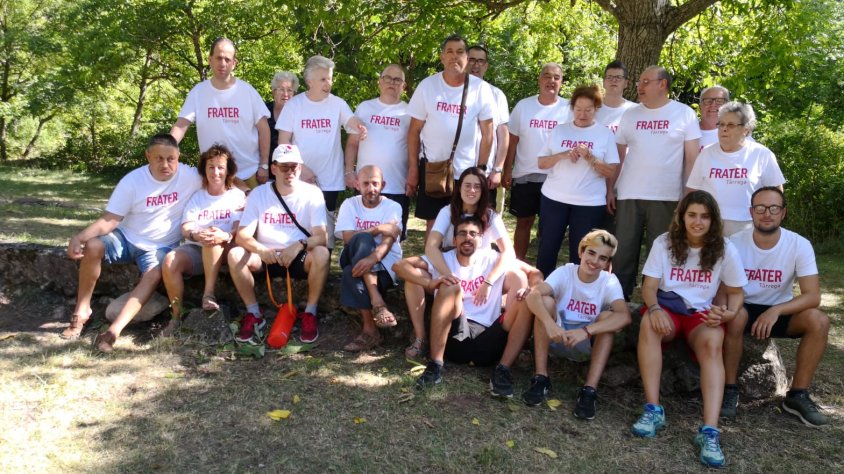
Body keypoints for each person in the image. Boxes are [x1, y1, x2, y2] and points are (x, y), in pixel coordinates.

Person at [631, 190, 747, 469]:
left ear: (713, 220)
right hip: (668, 308)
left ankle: (710, 430)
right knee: (649, 324)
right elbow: (649, 287)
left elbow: (736, 292)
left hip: (700, 314)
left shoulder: (725, 248)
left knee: (712, 343)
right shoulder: (664, 242)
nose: (698, 222)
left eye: (705, 216)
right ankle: (653, 409)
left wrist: (729, 313)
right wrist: (655, 309)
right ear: (681, 217)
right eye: (692, 215)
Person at [62, 134, 202, 351]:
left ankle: (113, 331)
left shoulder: (190, 176)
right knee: (94, 246)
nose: (165, 164)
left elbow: (222, 178)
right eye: (159, 158)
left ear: (178, 157)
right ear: (148, 156)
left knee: (154, 273)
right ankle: (82, 311)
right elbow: (111, 219)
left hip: (161, 246)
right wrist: (80, 237)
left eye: (171, 159)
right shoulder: (132, 181)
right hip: (126, 238)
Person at [720, 187, 830, 426]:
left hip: (779, 312)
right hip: (743, 307)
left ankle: (797, 394)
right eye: (760, 208)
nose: (767, 213)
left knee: (819, 320)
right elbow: (723, 289)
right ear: (751, 212)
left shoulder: (799, 244)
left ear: (783, 212)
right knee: (737, 316)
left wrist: (776, 310)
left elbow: (813, 296)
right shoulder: (734, 243)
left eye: (774, 208)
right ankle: (729, 389)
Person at [395, 216, 542, 393]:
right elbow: (399, 265)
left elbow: (535, 273)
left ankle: (503, 369)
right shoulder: (443, 259)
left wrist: (532, 289)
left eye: (473, 234)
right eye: (462, 233)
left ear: (481, 239)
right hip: (456, 335)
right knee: (450, 286)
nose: (468, 238)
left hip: (490, 337)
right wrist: (430, 283)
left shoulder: (494, 259)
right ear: (454, 240)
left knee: (526, 297)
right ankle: (435, 365)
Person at [396, 167, 515, 360]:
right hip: (450, 265)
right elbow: (431, 246)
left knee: (519, 277)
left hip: (481, 271)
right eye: (467, 185)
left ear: (483, 190)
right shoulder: (447, 211)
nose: (472, 190)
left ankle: (509, 339)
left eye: (477, 186)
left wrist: (489, 281)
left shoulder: (491, 215)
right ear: (459, 188)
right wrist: (447, 275)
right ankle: (420, 338)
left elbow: (508, 252)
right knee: (413, 279)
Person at [611, 66, 702, 300]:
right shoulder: (630, 114)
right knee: (623, 250)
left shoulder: (684, 114)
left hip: (667, 196)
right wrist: (610, 188)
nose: (639, 86)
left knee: (661, 252)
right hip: (629, 193)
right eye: (639, 82)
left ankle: (655, 303)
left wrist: (688, 195)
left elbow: (692, 159)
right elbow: (617, 156)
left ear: (662, 84)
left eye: (645, 82)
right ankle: (618, 300)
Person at [520, 230, 630, 420]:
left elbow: (624, 317)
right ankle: (541, 377)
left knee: (608, 319)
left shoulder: (609, 281)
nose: (595, 261)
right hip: (556, 334)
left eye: (602, 258)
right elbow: (533, 295)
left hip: (585, 341)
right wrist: (550, 324)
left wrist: (586, 331)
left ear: (607, 263)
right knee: (545, 302)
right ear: (581, 252)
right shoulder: (566, 272)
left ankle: (589, 390)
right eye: (591, 253)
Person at [227, 144, 329, 344]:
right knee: (235, 254)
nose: (290, 172)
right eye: (284, 167)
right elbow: (242, 235)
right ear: (273, 168)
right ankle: (254, 313)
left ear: (300, 168)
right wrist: (261, 249)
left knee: (322, 253)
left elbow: (321, 237)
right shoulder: (259, 194)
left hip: (298, 255)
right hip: (266, 255)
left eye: (294, 166)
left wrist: (299, 244)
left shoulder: (313, 193)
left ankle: (310, 313)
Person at [406, 34, 495, 238]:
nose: (455, 56)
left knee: (466, 225)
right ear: (442, 57)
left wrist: (481, 169)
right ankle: (432, 258)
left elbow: (488, 133)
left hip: (466, 171)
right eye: (450, 52)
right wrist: (413, 168)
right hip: (433, 169)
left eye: (460, 52)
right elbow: (414, 131)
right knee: (434, 225)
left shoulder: (480, 89)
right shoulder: (427, 86)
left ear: (467, 58)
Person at [276, 55, 368, 250]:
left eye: (330, 78)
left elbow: (351, 122)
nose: (328, 84)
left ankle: (324, 264)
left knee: (326, 230)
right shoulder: (294, 105)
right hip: (299, 177)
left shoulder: (338, 103)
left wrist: (360, 126)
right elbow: (283, 143)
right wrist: (301, 168)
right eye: (323, 79)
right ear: (309, 81)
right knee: (301, 226)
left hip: (330, 179)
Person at [160, 144, 246, 336]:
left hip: (227, 249)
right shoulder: (197, 197)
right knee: (170, 260)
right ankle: (176, 317)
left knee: (213, 239)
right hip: (197, 249)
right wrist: (196, 235)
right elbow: (186, 228)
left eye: (220, 167)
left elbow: (240, 228)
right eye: (211, 167)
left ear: (228, 170)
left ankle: (208, 294)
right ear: (204, 170)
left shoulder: (237, 196)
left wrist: (224, 235)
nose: (216, 172)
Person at [535, 84, 619, 276]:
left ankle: (577, 289)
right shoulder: (559, 130)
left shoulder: (605, 134)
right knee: (547, 247)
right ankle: (541, 286)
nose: (582, 114)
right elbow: (541, 163)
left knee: (581, 252)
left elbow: (611, 171)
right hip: (554, 198)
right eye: (578, 109)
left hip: (589, 204)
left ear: (596, 109)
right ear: (572, 108)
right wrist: (562, 155)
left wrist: (590, 158)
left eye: (588, 110)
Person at [170, 38, 270, 190]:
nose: (222, 63)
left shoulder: (247, 91)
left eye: (227, 59)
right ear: (210, 60)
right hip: (214, 176)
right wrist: (166, 149)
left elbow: (264, 129)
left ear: (234, 63)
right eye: (218, 58)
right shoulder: (198, 92)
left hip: (249, 174)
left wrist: (264, 164)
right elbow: (181, 125)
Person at [502, 63, 571, 260]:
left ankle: (544, 269)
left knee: (550, 227)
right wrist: (507, 170)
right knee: (524, 222)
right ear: (539, 79)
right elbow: (512, 141)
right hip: (526, 175)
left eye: (556, 77)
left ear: (561, 82)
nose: (551, 81)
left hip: (557, 177)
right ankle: (517, 265)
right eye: (547, 76)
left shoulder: (569, 109)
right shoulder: (524, 106)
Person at [686, 102, 784, 236]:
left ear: (746, 129)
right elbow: (692, 190)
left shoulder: (762, 155)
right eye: (721, 124)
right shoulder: (706, 154)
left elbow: (776, 193)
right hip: (711, 224)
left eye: (731, 125)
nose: (724, 129)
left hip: (748, 226)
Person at [335, 165, 403, 351]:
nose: (371, 188)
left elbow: (389, 240)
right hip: (351, 254)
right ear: (357, 185)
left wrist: (372, 259)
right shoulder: (350, 204)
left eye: (375, 183)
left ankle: (370, 331)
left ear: (383, 185)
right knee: (362, 239)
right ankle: (377, 301)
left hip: (385, 263)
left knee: (350, 272)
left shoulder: (393, 207)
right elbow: (348, 238)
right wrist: (377, 228)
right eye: (366, 184)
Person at [344, 64, 411, 240]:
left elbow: (415, 148)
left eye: (397, 80)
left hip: (397, 185)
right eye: (387, 78)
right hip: (365, 185)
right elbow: (352, 144)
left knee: (393, 238)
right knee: (360, 237)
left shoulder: (410, 112)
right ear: (379, 82)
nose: (392, 82)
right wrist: (349, 172)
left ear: (404, 86)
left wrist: (413, 176)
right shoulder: (364, 108)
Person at [467, 45, 509, 210]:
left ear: (486, 66)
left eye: (480, 61)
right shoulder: (453, 91)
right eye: (471, 60)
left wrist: (497, 169)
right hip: (455, 172)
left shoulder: (497, 95)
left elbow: (503, 136)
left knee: (483, 220)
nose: (475, 65)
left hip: (485, 173)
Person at [265, 71, 299, 166]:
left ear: (294, 93)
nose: (285, 94)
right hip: (266, 166)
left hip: (291, 167)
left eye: (289, 90)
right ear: (273, 92)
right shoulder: (264, 111)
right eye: (281, 89)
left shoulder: (300, 113)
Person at [594, 60, 635, 135]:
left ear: (626, 83)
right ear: (603, 82)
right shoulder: (591, 109)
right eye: (609, 77)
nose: (613, 80)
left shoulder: (634, 110)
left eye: (619, 77)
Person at [697, 86, 729, 150]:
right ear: (700, 107)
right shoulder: (688, 130)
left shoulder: (738, 133)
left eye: (719, 101)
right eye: (708, 101)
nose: (713, 105)